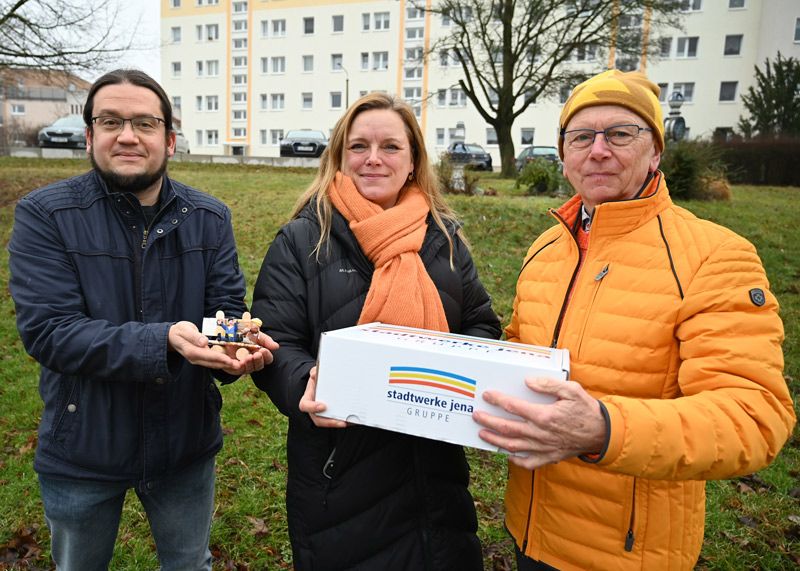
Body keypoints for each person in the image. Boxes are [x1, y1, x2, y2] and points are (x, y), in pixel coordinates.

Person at [472, 69, 796, 571]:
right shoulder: (546, 248)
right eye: (581, 136)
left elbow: (754, 417)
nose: (598, 150)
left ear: (656, 151)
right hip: (530, 530)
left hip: (626, 552)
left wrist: (603, 429)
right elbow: (524, 354)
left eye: (621, 133)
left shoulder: (712, 257)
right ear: (563, 154)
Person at [7, 69, 278, 571]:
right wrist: (167, 340)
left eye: (145, 123)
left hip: (184, 443)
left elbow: (226, 310)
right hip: (83, 446)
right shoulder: (45, 215)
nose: (127, 135)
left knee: (188, 564)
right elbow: (51, 332)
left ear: (169, 140)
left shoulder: (209, 217)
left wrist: (235, 348)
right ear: (89, 135)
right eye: (110, 121)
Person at [250, 93, 501, 570]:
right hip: (340, 472)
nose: (373, 158)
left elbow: (481, 325)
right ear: (340, 158)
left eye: (390, 146)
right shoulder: (304, 239)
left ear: (412, 162)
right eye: (359, 146)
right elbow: (276, 341)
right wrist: (304, 383)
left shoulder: (442, 238)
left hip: (433, 473)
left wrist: (465, 374)